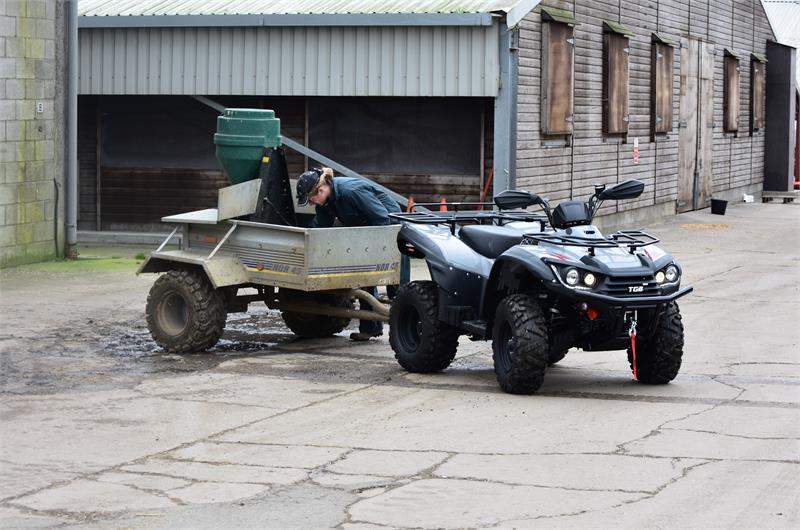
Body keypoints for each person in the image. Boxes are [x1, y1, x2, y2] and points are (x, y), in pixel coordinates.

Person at [296, 167, 409, 341]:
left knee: (397, 287)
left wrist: (367, 245)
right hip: (366, 231)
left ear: (320, 190)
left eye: (311, 199)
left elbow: (382, 218)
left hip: (390, 230)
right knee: (364, 278)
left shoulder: (351, 192)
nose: (311, 203)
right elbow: (320, 229)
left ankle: (405, 333)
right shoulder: (326, 202)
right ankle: (369, 329)